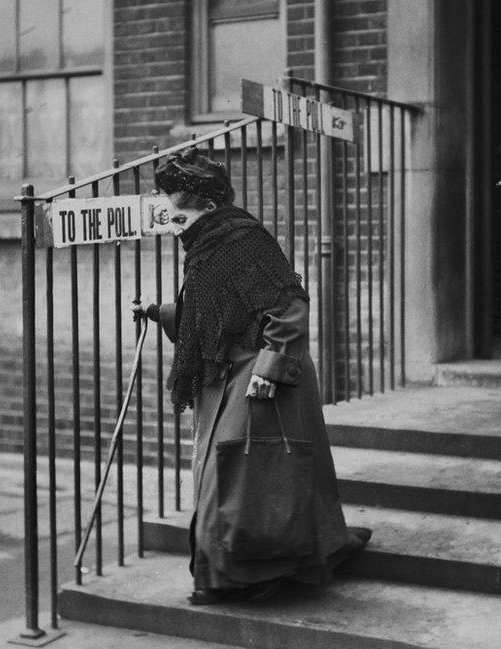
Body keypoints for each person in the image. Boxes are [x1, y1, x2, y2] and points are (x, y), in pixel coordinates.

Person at [132, 147, 369, 605]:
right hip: (229, 372)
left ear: (209, 206)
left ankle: (254, 575)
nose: (176, 227)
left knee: (238, 477)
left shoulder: (244, 240)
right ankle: (231, 575)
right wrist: (159, 312)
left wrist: (271, 368)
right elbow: (214, 315)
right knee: (232, 477)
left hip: (261, 375)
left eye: (179, 217)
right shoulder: (208, 245)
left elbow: (290, 306)